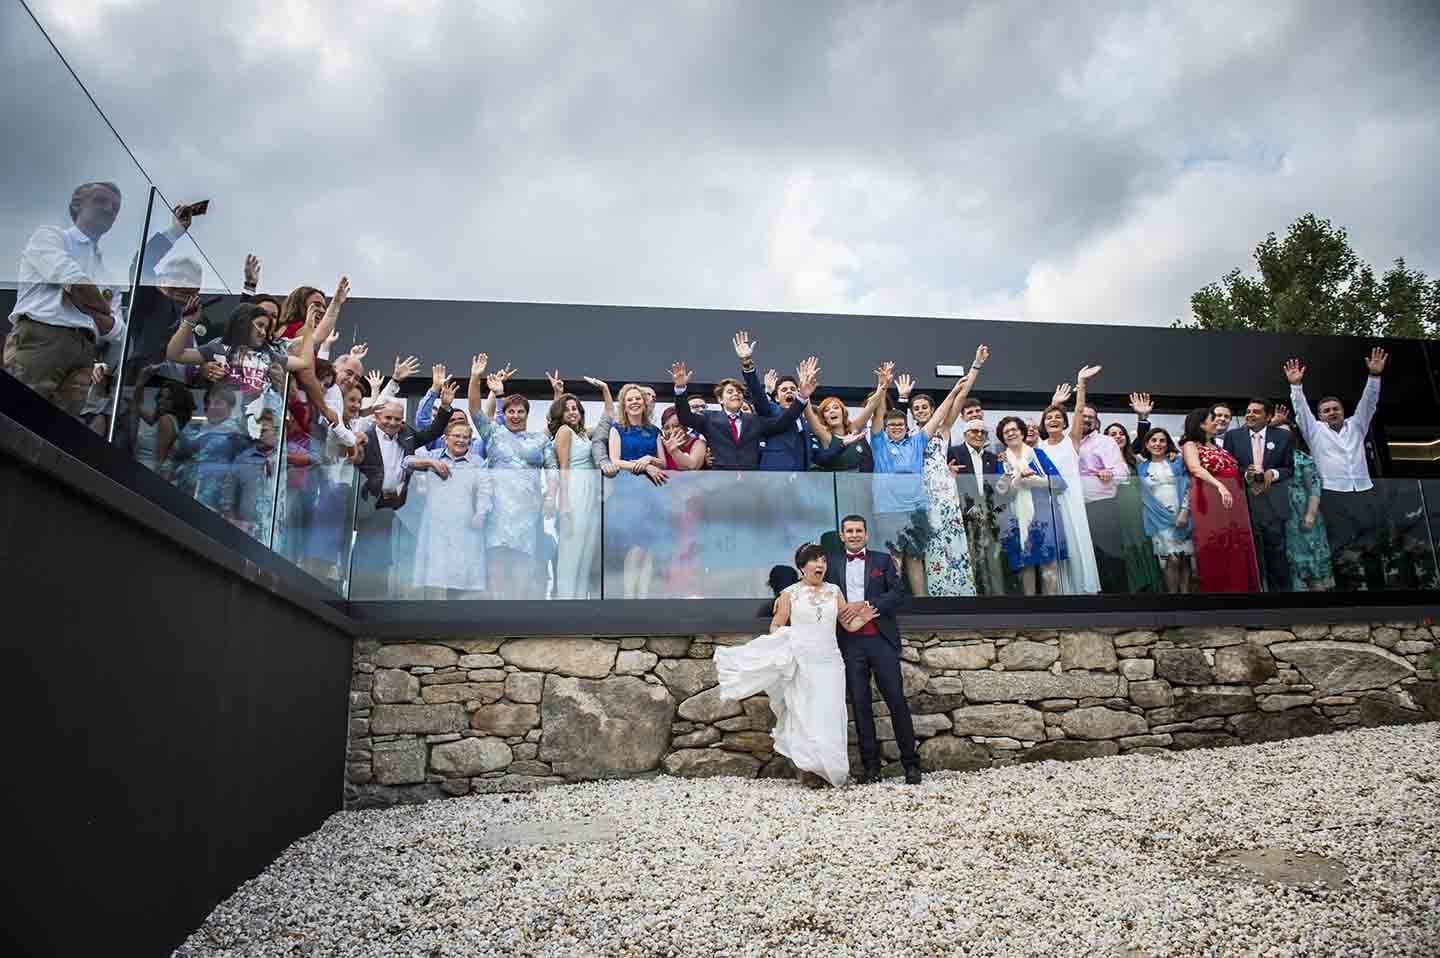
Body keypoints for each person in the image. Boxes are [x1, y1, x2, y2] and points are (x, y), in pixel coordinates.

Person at [714, 543, 850, 788]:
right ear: (801, 567)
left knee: (831, 713)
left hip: (830, 661)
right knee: (805, 713)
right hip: (802, 661)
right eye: (815, 561)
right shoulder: (789, 594)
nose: (821, 565)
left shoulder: (835, 591)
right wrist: (787, 638)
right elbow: (776, 626)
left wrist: (867, 614)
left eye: (823, 561)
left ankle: (833, 769)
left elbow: (849, 624)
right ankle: (810, 770)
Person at [5, 181, 127, 417]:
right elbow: (74, 281)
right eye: (101, 201)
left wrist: (83, 302)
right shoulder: (50, 237)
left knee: (61, 433)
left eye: (115, 207)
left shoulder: (107, 274)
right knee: (18, 418)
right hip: (44, 339)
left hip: (84, 353)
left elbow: (119, 330)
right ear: (77, 205)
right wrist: (98, 308)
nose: (109, 209)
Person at [824, 515, 920, 785]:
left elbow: (898, 593)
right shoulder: (831, 564)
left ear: (866, 534)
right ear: (842, 536)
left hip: (881, 640)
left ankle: (911, 764)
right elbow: (818, 592)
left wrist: (866, 604)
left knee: (896, 701)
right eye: (849, 531)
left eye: (859, 531)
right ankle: (871, 768)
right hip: (850, 644)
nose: (854, 535)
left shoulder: (882, 561)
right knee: (861, 705)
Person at [1284, 349, 1388, 591]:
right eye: (1326, 410)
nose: (1332, 412)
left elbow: (1369, 403)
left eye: (1336, 408)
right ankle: (1345, 594)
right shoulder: (1315, 431)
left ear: (1343, 410)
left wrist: (1374, 377)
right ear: (1320, 416)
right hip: (1332, 495)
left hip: (1363, 492)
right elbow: (1300, 410)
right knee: (1339, 547)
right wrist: (1296, 386)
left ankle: (1377, 593)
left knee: (1370, 545)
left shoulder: (1357, 425)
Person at [892, 346, 987, 597]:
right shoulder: (910, 436)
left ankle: (959, 592)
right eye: (917, 409)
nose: (921, 411)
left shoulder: (943, 430)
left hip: (944, 492)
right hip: (920, 494)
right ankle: (935, 595)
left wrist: (975, 366)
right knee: (928, 545)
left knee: (952, 541)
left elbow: (960, 397)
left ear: (933, 409)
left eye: (925, 407)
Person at [468, 362, 559, 599]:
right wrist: (475, 378)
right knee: (496, 560)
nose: (516, 415)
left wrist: (550, 497)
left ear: (527, 414)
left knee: (523, 561)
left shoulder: (540, 440)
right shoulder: (494, 434)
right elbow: (475, 411)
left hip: (528, 510)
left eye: (521, 412)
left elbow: (552, 470)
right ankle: (495, 610)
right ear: (504, 413)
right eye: (511, 411)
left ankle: (517, 608)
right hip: (497, 509)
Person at [351, 391, 455, 598]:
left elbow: (431, 433)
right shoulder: (366, 435)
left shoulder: (406, 435)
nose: (392, 423)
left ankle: (385, 599)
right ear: (378, 417)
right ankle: (362, 597)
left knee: (391, 558)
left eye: (397, 419)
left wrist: (444, 408)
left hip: (397, 506)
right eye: (388, 418)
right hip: (370, 504)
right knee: (367, 556)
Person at [668, 355, 812, 469]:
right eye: (730, 392)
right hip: (721, 483)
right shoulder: (709, 419)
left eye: (738, 392)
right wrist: (680, 390)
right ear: (720, 399)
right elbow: (685, 417)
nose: (735, 394)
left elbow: (782, 423)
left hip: (751, 484)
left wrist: (802, 398)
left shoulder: (755, 420)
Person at [404, 418, 492, 599]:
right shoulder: (434, 455)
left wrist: (481, 513)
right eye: (457, 436)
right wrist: (430, 463)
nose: (461, 440)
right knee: (434, 574)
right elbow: (406, 461)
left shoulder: (477, 462)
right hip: (435, 524)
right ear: (446, 438)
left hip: (465, 525)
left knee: (460, 576)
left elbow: (486, 490)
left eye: (466, 437)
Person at [1181, 407, 1261, 593]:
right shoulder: (1191, 445)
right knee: (1216, 546)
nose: (1217, 421)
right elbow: (1195, 468)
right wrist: (1219, 485)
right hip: (1210, 500)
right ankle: (1221, 595)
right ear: (1201, 424)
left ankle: (1242, 592)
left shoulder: (1219, 447)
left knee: (1237, 545)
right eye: (1212, 418)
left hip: (1234, 502)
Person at [1039, 369, 1102, 594]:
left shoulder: (1071, 441)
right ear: (1044, 424)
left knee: (1076, 542)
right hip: (1050, 503)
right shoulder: (1040, 447)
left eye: (1058, 417)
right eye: (1049, 418)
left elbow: (1078, 410)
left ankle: (1083, 591)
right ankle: (1060, 593)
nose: (1054, 420)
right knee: (1056, 548)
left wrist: (1081, 383)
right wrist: (1053, 404)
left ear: (1066, 423)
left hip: (1072, 499)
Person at [605, 382, 670, 598]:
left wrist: (650, 459)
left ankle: (642, 597)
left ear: (644, 403)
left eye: (637, 399)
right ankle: (628, 597)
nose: (634, 402)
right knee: (634, 547)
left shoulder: (654, 431)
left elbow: (663, 462)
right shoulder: (617, 428)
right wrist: (642, 466)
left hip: (652, 492)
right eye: (629, 399)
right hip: (628, 493)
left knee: (647, 549)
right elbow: (615, 460)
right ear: (624, 404)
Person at [1222, 398, 1294, 592]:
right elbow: (1229, 468)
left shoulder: (1283, 437)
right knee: (1250, 554)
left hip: (1273, 503)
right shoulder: (1233, 436)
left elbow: (1289, 468)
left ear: (1268, 416)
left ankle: (1281, 602)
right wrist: (1247, 474)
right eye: (1248, 411)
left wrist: (1273, 474)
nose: (1249, 415)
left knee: (1276, 554)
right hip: (1246, 503)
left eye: (1256, 412)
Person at [995, 415, 1067, 595]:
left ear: (1022, 432)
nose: (1011, 433)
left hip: (1044, 515)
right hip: (1017, 519)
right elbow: (1001, 494)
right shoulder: (1002, 462)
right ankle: (1032, 612)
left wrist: (1034, 481)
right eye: (1006, 432)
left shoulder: (1038, 455)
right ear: (1002, 438)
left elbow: (1059, 483)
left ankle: (1051, 610)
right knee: (1025, 565)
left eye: (1014, 429)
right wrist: (1018, 481)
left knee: (1048, 563)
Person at [551, 382, 609, 599]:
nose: (571, 412)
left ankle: (578, 602)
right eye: (566, 409)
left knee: (585, 553)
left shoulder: (584, 434)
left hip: (589, 492)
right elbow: (563, 467)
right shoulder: (564, 432)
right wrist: (563, 504)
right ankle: (565, 602)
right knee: (571, 552)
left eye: (574, 408)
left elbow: (608, 416)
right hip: (574, 489)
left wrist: (604, 390)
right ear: (560, 414)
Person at [1272, 415, 1335, 592]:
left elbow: (1314, 488)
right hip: (1282, 518)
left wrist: (1311, 515)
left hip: (1304, 515)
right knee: (1292, 565)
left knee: (1313, 563)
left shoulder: (1301, 458)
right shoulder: (1270, 460)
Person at [733, 332, 812, 472]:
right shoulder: (771, 411)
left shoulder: (803, 421)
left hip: (799, 479)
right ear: (776, 398)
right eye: (784, 389)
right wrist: (747, 365)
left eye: (793, 389)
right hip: (773, 476)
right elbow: (757, 394)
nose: (789, 392)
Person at [1077, 398, 1132, 593]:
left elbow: (1123, 472)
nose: (1086, 420)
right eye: (1082, 416)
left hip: (1102, 506)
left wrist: (1110, 473)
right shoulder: (1068, 441)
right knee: (1088, 558)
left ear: (1097, 422)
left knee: (1111, 557)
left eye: (1090, 417)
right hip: (1076, 509)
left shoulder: (1106, 442)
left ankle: (1118, 604)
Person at [1103, 421, 1165, 594]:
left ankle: (1153, 591)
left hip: (1139, 510)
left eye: (1121, 433)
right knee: (1128, 546)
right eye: (1112, 434)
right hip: (1118, 510)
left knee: (1145, 544)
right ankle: (1135, 592)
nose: (1118, 437)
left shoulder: (1135, 459)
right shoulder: (1101, 460)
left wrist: (1172, 453)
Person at [949, 419, 1007, 596]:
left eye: (983, 432)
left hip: (989, 517)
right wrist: (970, 508)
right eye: (974, 431)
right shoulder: (954, 452)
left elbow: (998, 489)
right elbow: (953, 485)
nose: (979, 435)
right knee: (970, 563)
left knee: (994, 562)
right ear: (966, 434)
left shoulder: (991, 457)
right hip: (964, 517)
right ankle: (970, 603)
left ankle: (998, 603)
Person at [1136, 427, 1194, 594]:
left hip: (1181, 515)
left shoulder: (1177, 462)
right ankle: (1173, 601)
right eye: (1153, 440)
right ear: (1146, 444)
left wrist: (1184, 511)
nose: (1158, 444)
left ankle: (1186, 599)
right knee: (1172, 558)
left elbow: (1188, 487)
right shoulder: (1141, 467)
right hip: (1158, 519)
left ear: (1168, 444)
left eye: (1162, 440)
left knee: (1184, 558)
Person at [129, 365, 193, 478]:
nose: (161, 401)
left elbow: (160, 459)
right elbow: (137, 406)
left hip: (147, 474)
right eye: (161, 397)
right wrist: (140, 383)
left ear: (177, 402)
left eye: (168, 398)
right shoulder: (164, 419)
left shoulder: (166, 420)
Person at [806, 395, 875, 472]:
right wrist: (805, 396)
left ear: (843, 412)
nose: (832, 411)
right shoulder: (825, 435)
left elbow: (871, 406)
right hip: (835, 482)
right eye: (826, 410)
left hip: (856, 481)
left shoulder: (853, 429)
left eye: (836, 407)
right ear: (823, 417)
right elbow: (810, 416)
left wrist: (882, 387)